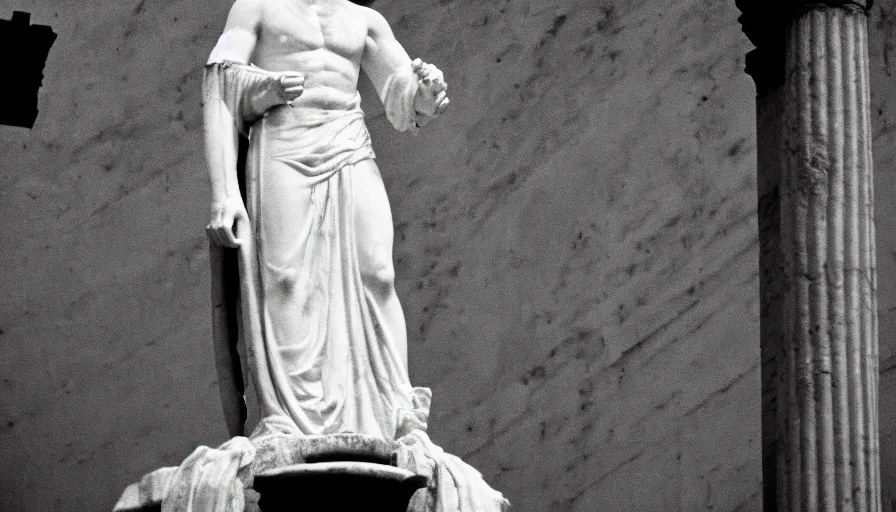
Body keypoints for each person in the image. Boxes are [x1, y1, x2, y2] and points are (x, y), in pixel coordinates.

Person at [202, 0, 449, 440]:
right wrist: (225, 192)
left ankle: (396, 411)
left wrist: (424, 95)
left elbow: (401, 91)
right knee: (286, 281)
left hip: (349, 143)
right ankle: (297, 419)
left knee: (378, 274)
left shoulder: (364, 19)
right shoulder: (257, 7)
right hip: (284, 146)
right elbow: (219, 84)